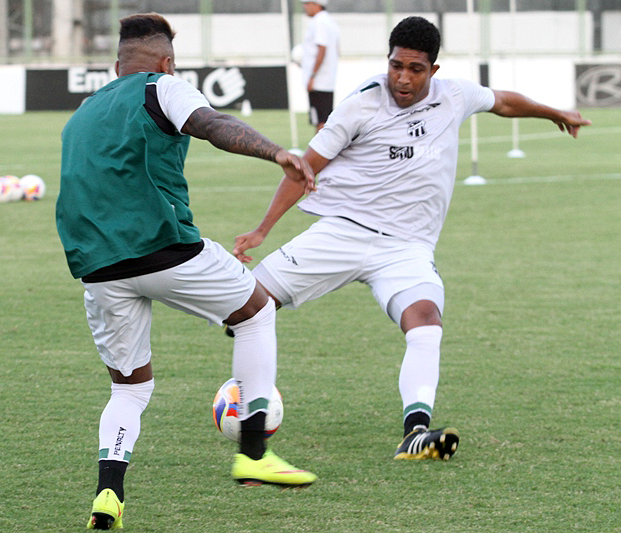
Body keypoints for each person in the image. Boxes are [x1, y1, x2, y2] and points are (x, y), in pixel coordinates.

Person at [231, 16, 591, 462]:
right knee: (246, 306)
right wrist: (263, 229)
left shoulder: (454, 96)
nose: (403, 78)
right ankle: (244, 397)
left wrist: (554, 112)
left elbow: (504, 102)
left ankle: (415, 432)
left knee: (425, 321)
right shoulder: (361, 104)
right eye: (396, 65)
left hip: (406, 248)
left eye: (415, 69)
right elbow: (305, 167)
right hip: (343, 231)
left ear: (433, 71)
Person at [56, 13, 317, 531]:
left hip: (100, 269)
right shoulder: (163, 87)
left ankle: (109, 494)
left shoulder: (83, 113)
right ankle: (254, 452)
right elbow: (214, 126)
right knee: (256, 312)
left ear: (116, 63)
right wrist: (277, 152)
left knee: (128, 390)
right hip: (166, 251)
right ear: (167, 61)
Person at [300, 0, 340, 132]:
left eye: (307, 3)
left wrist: (312, 75)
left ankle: (320, 152)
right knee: (325, 118)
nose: (304, 7)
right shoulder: (330, 22)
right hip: (327, 79)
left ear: (316, 4)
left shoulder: (319, 22)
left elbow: (322, 48)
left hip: (319, 81)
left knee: (320, 121)